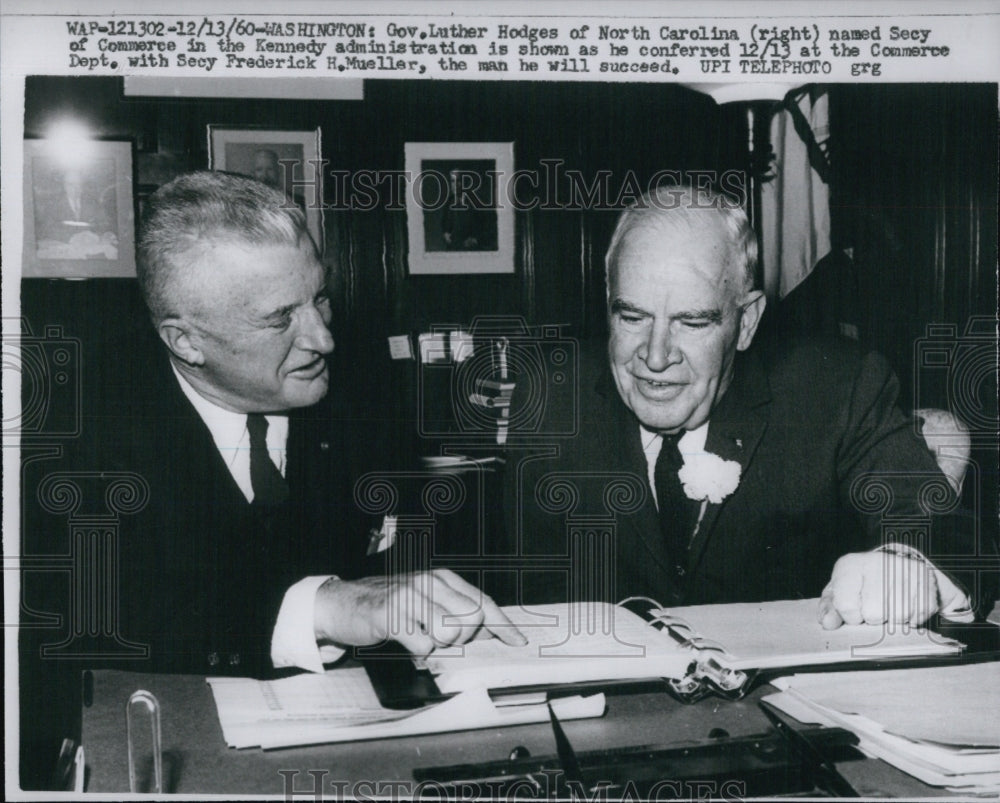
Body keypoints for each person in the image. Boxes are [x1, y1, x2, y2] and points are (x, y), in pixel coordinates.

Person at [19, 171, 522, 787]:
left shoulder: (364, 393)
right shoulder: (70, 432)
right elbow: (108, 627)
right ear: (185, 341)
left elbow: (406, 564)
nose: (323, 337)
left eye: (320, 298)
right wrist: (326, 605)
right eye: (280, 318)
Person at [501, 183, 981, 628]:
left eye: (692, 322)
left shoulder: (837, 388)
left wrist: (911, 567)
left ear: (747, 320)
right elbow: (526, 592)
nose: (654, 355)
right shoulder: (552, 396)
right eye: (632, 316)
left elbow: (953, 537)